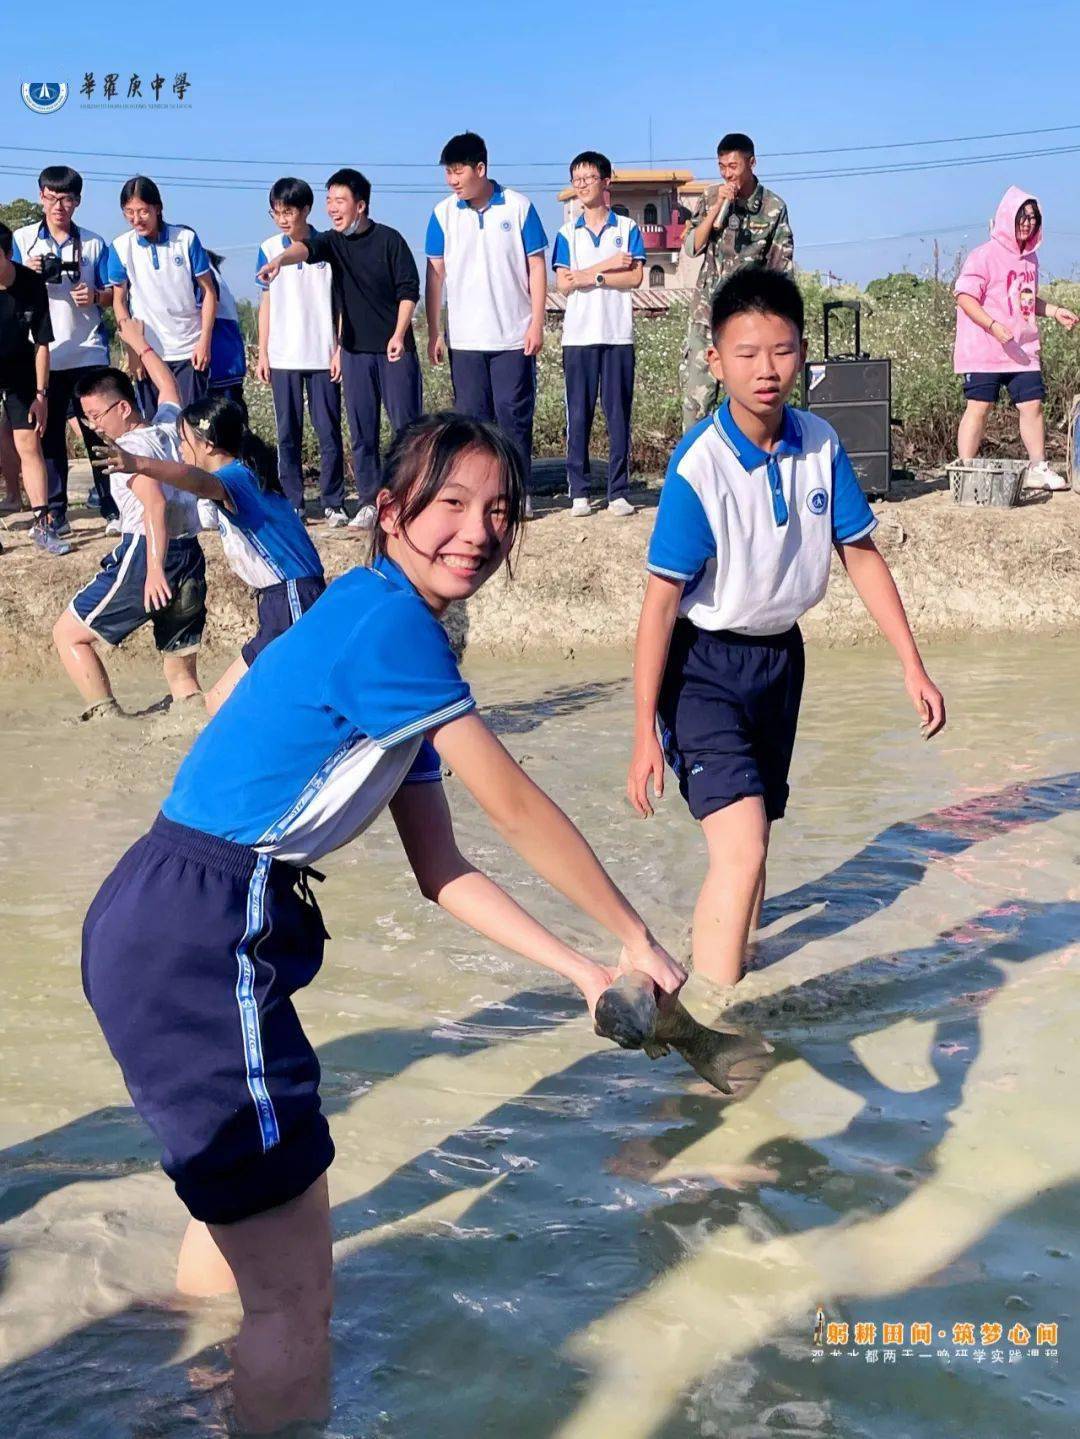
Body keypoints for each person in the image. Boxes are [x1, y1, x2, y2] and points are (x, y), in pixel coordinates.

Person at [80, 410, 686, 1432]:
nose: (480, 530)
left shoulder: (385, 626)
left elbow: (442, 867)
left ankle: (172, 1395)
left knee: (241, 1231)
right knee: (298, 1296)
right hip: (204, 933)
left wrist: (582, 967)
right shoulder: (388, 620)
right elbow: (519, 805)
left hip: (167, 920)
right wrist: (636, 934)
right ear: (394, 509)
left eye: (500, 509)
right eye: (452, 503)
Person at [627, 269, 945, 986]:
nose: (765, 370)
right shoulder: (698, 469)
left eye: (780, 350)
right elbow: (657, 605)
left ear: (802, 353)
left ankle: (738, 967)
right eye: (746, 353)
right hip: (701, 667)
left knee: (756, 840)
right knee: (739, 848)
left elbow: (859, 553)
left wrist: (911, 664)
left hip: (780, 663)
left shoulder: (822, 443)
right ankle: (716, 1019)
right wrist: (643, 729)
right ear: (715, 360)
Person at [101, 366, 325, 716]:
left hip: (293, 598)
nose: (178, 448)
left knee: (267, 701)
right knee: (223, 705)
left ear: (206, 443)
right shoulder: (245, 473)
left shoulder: (233, 477)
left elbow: (193, 479)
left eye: (183, 440)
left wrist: (138, 463)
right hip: (281, 601)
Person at [52, 319, 207, 717]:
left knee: (68, 634)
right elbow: (169, 387)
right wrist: (141, 344)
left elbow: (154, 505)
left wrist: (153, 568)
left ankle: (107, 723)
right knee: (182, 678)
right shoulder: (168, 428)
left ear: (123, 407)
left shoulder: (128, 450)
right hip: (189, 553)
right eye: (86, 418)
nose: (93, 426)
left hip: (148, 554)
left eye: (96, 415)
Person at [258, 168, 420, 531]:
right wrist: (279, 262)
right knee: (362, 432)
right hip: (355, 352)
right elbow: (307, 248)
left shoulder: (390, 240)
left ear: (360, 205)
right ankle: (368, 501)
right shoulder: (332, 242)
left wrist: (398, 334)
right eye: (329, 200)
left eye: (340, 200)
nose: (332, 207)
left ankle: (411, 495)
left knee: (405, 429)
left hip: (394, 349)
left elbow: (409, 290)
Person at [425, 132, 548, 518]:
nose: (452, 180)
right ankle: (478, 495)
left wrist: (537, 323)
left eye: (458, 171)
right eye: (448, 172)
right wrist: (435, 331)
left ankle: (517, 493)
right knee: (471, 423)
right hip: (466, 339)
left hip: (514, 335)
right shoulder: (443, 213)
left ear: (481, 168)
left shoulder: (518, 207)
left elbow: (537, 266)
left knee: (514, 418)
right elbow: (435, 276)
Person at [12, 165, 120, 534]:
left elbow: (113, 296)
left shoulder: (93, 243)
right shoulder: (22, 239)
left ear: (78, 201)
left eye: (68, 199)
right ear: (41, 196)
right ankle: (56, 512)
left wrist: (94, 295)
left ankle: (112, 506)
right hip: (42, 354)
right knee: (51, 436)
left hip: (88, 351)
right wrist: (23, 270)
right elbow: (5, 284)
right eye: (53, 197)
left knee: (99, 433)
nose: (60, 205)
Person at [953, 187, 1078, 491]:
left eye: (1033, 219)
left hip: (1022, 349)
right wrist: (993, 325)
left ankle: (1038, 466)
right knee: (979, 406)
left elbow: (1026, 300)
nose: (1027, 224)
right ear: (1007, 218)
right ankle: (966, 474)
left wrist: (1055, 310)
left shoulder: (1030, 260)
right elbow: (964, 297)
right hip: (984, 348)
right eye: (1022, 217)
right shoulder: (983, 255)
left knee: (1032, 405)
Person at [552, 150, 645, 517]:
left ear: (606, 181)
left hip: (618, 334)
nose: (582, 185)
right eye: (576, 179)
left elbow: (635, 277)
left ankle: (618, 491)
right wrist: (606, 267)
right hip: (578, 337)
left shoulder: (627, 229)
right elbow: (563, 284)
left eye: (588, 178)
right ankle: (579, 491)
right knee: (578, 414)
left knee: (618, 414)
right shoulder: (566, 234)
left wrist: (591, 276)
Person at [681, 132, 794, 432]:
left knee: (747, 405)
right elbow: (692, 246)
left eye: (733, 166)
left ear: (752, 163)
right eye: (722, 167)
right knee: (696, 405)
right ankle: (695, 473)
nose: (727, 173)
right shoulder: (709, 197)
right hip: (707, 318)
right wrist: (717, 208)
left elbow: (780, 268)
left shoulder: (773, 207)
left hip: (749, 324)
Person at [255, 178, 344, 524]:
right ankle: (293, 501)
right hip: (284, 356)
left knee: (328, 431)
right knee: (287, 433)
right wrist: (263, 352)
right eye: (276, 212)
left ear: (306, 210)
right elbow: (266, 302)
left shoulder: (328, 246)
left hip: (323, 355)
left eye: (288, 212)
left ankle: (333, 500)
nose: (282, 219)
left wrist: (339, 348)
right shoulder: (267, 247)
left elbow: (341, 303)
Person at [107, 176, 217, 416]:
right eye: (129, 212)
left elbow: (209, 292)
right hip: (149, 352)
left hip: (188, 350)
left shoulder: (185, 240)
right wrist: (133, 350)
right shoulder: (119, 247)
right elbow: (119, 301)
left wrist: (204, 342)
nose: (136, 219)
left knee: (192, 427)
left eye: (143, 211)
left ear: (158, 208)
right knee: (156, 426)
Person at [0, 221, 70, 555]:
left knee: (29, 443)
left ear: (7, 254)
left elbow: (42, 343)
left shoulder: (30, 284)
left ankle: (43, 524)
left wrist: (41, 395)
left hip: (19, 369)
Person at [205, 252, 248, 416]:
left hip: (220, 357)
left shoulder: (204, 271)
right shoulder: (214, 272)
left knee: (223, 416)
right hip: (229, 356)